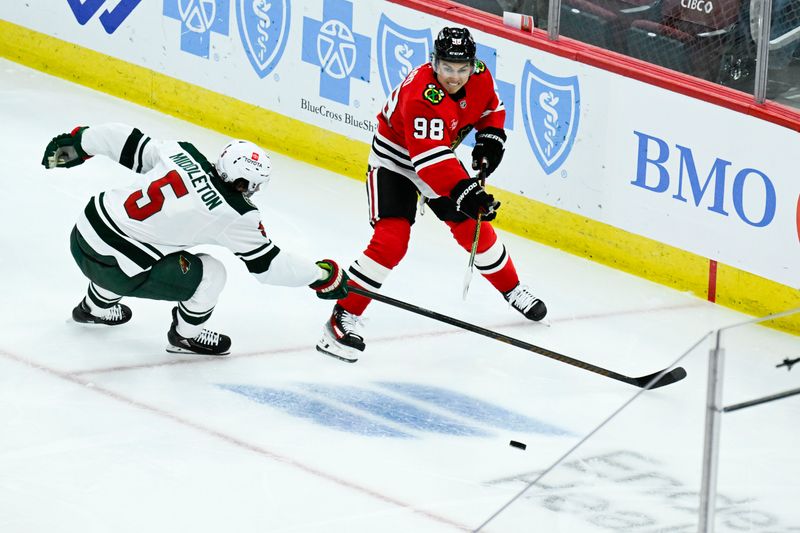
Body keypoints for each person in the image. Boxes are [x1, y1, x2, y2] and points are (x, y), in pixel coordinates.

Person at [316, 27, 547, 363]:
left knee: (473, 226)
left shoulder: (480, 76)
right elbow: (429, 163)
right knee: (391, 242)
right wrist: (466, 192)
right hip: (395, 163)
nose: (454, 77)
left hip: (438, 159)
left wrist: (491, 139)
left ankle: (512, 288)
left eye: (461, 68)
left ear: (472, 64)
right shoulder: (421, 94)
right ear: (434, 62)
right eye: (447, 68)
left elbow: (490, 109)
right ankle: (340, 318)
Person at [41, 123, 348, 355]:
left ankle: (95, 308)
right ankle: (186, 335)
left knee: (143, 245)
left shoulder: (182, 152)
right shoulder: (236, 215)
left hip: (82, 234)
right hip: (115, 269)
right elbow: (271, 267)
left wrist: (82, 141)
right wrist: (320, 274)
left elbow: (128, 141)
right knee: (211, 272)